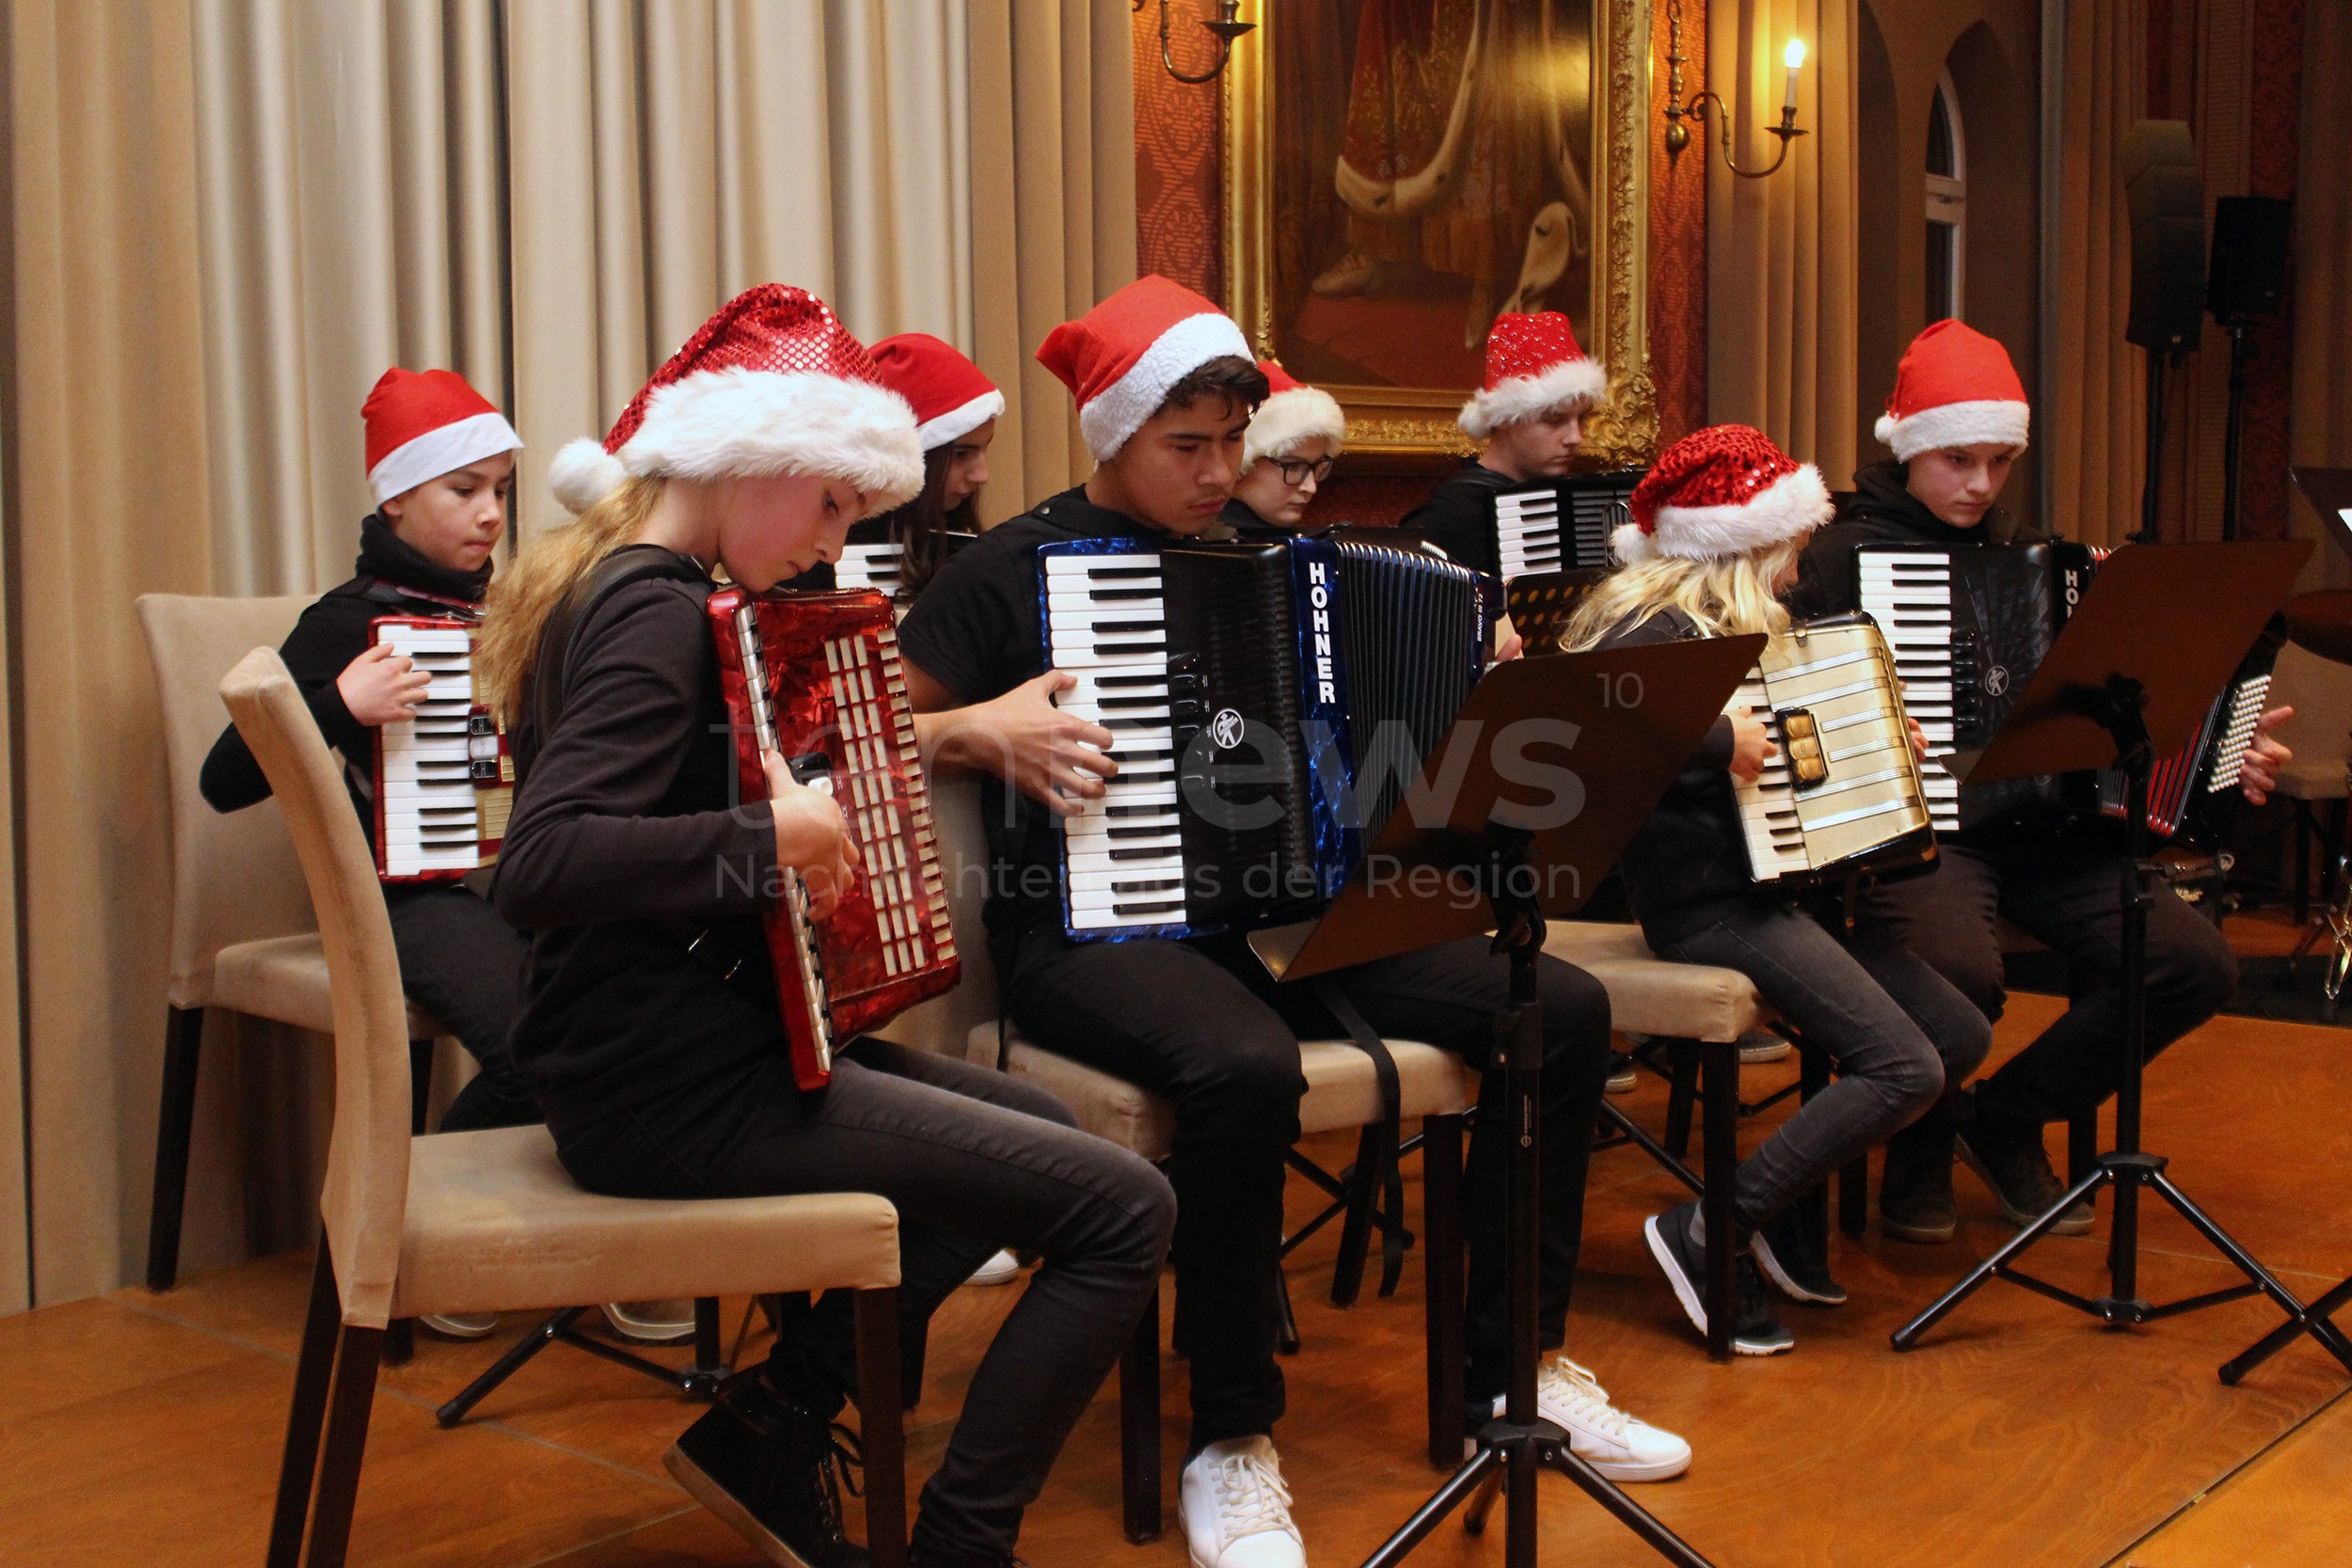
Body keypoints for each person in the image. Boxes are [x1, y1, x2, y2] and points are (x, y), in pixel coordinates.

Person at [897, 276, 1689, 1568]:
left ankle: (1520, 1366)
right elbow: (857, 738)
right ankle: (1232, 1433)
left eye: (1231, 444)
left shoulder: (1286, 564)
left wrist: (1464, 704)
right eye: (1186, 446)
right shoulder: (1012, 567)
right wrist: (975, 730)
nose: (1219, 473)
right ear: (1111, 433)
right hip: (1100, 932)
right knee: (1242, 1066)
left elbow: (1373, 748)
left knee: (1559, 1004)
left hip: (1292, 918)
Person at [476, 283, 1176, 1568]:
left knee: (1047, 1137)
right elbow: (545, 862)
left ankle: (774, 1419)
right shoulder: (654, 610)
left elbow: (647, 846)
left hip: (669, 1048)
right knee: (1122, 1210)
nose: (835, 540)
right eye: (836, 502)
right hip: (663, 1085)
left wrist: (795, 876)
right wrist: (777, 841)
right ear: (755, 458)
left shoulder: (645, 586)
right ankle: (961, 1547)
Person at [1788, 320, 2291, 1243]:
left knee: (2190, 963)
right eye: (1956, 460)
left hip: (2054, 832)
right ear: (1907, 449)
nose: (1979, 484)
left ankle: (2005, 1116)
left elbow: (2125, 706)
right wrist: (1869, 725)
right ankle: (1919, 1148)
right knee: (1956, 969)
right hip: (1928, 832)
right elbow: (1795, 723)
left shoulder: (2046, 561)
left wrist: (2220, 749)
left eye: (1997, 461)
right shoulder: (1837, 560)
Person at [1558, 423, 1994, 1355]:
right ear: (1740, 548)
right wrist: (1720, 743)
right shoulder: (1648, 627)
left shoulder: (1762, 632)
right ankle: (1713, 1224)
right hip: (1703, 904)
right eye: (1789, 553)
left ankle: (1786, 1211)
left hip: (1784, 892)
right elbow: (1590, 730)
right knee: (1902, 1065)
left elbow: (1796, 769)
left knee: (1956, 1033)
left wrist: (1881, 745)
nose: (1798, 576)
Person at [786, 332, 1001, 605]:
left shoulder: (975, 550)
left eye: (984, 449)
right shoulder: (811, 552)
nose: (982, 475)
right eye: (960, 454)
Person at [1399, 309, 1607, 580]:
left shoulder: (1564, 498)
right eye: (1555, 421)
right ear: (1506, 418)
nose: (1575, 437)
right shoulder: (1453, 515)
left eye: (1582, 419)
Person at [1221, 361, 1345, 536]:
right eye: (1294, 466)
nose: (1311, 488)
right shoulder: (1209, 542)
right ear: (1243, 463)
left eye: (1317, 467)